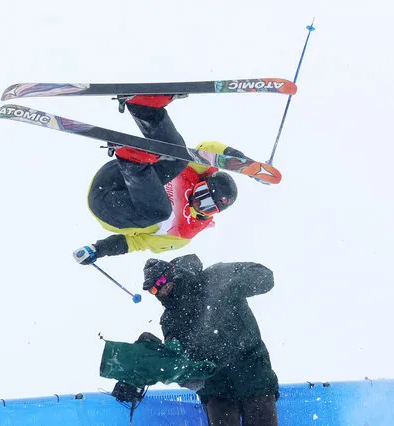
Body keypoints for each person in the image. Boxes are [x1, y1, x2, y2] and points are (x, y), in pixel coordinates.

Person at [72, 95, 251, 265]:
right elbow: (210, 149)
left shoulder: (182, 234)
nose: (198, 203)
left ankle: (133, 161)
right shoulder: (198, 172)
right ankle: (144, 108)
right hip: (115, 177)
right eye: (202, 193)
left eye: (207, 207)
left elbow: (135, 243)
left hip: (109, 209)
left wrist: (99, 249)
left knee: (161, 212)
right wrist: (242, 162)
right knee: (179, 157)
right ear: (203, 181)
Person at [141, 253, 280, 426]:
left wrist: (233, 286)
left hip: (254, 374)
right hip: (216, 390)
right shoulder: (170, 319)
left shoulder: (217, 276)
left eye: (160, 283)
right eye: (153, 290)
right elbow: (179, 362)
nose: (160, 291)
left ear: (173, 273)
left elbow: (266, 277)